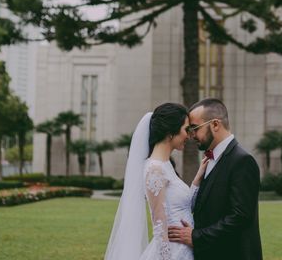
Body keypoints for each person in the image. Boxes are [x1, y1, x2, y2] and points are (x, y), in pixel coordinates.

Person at [104, 103, 208, 260]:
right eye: (185, 129)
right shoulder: (155, 169)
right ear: (170, 132)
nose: (188, 136)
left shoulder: (165, 165)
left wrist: (197, 178)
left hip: (185, 247)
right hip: (173, 252)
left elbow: (185, 205)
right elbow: (159, 226)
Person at [168, 98, 263, 260]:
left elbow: (240, 216)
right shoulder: (209, 160)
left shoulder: (242, 161)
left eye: (195, 129)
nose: (191, 136)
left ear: (215, 125)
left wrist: (197, 236)